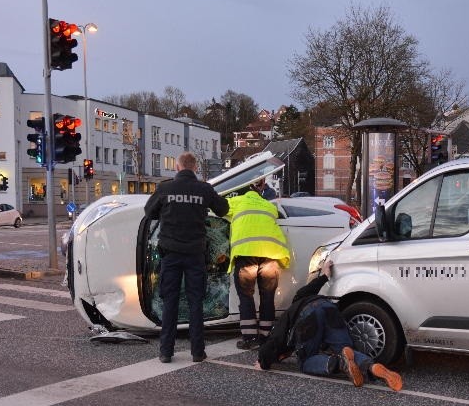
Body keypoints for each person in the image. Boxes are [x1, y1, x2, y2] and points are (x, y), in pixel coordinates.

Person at [256, 260, 403, 391]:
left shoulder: (289, 313)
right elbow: (314, 285)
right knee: (345, 349)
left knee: (306, 361)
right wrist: (326, 273)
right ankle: (371, 366)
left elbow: (275, 339)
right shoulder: (304, 294)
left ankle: (338, 363)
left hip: (309, 316)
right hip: (330, 309)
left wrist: (262, 361)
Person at [145, 152, 229, 363]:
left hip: (170, 255)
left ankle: (166, 352)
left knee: (170, 302)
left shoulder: (165, 188)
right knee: (196, 303)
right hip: (195, 255)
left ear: (177, 167)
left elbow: (149, 212)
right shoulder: (204, 189)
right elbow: (223, 209)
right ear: (195, 168)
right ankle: (197, 352)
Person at [226, 179, 290, 350]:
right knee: (268, 297)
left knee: (246, 296)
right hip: (271, 255)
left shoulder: (237, 201)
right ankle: (265, 336)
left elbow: (216, 208)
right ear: (260, 189)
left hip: (247, 254)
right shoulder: (269, 206)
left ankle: (249, 338)